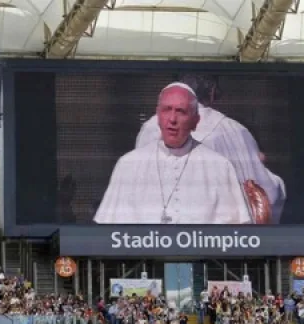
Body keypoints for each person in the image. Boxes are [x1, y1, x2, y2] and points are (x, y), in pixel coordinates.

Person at [135, 74, 286, 223]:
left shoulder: (150, 129)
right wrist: (278, 184)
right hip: (214, 239)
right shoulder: (233, 131)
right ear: (212, 91)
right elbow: (267, 193)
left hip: (157, 238)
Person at [94, 82, 251, 224]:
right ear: (158, 116)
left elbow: (237, 234)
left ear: (195, 121)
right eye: (167, 110)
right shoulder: (128, 164)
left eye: (181, 111)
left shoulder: (219, 166)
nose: (172, 119)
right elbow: (107, 231)